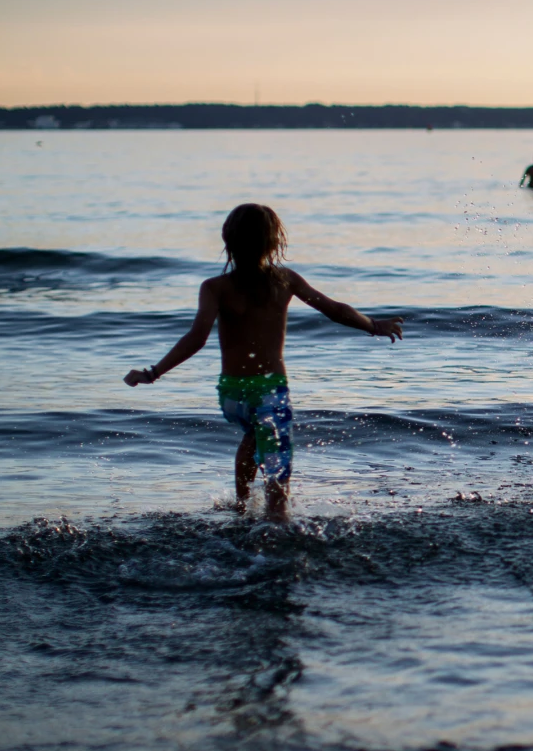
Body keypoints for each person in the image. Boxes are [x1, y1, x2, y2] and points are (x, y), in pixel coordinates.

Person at [124, 203, 404, 520]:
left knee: (251, 434)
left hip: (231, 394)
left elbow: (196, 338)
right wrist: (373, 325)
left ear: (227, 241)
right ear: (274, 243)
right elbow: (334, 309)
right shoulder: (284, 280)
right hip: (270, 392)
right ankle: (275, 529)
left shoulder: (215, 288)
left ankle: (242, 509)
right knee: (277, 490)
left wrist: (153, 373)